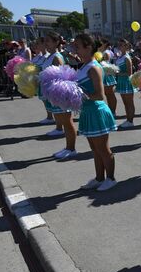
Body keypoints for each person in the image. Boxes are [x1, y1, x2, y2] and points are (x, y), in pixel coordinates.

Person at [73, 33, 118, 191]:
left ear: (89, 47)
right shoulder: (84, 66)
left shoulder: (93, 67)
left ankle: (111, 178)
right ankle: (99, 178)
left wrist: (77, 93)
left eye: (78, 47)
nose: (75, 50)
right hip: (88, 111)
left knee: (103, 149)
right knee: (95, 149)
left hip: (96, 111)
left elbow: (100, 95)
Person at [42, 32, 78, 159]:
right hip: (53, 94)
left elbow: (62, 77)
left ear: (56, 42)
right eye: (45, 41)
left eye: (48, 40)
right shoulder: (49, 56)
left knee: (67, 122)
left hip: (60, 93)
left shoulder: (57, 57)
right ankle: (68, 147)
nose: (45, 43)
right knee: (61, 120)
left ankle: (71, 148)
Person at [114, 39, 136, 128]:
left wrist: (117, 73)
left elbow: (129, 73)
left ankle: (130, 121)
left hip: (127, 81)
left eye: (122, 45)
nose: (120, 46)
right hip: (121, 81)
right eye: (119, 45)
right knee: (125, 103)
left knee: (129, 102)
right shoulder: (119, 57)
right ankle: (128, 120)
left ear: (126, 46)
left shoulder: (127, 58)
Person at [98, 39, 118, 115]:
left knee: (110, 94)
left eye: (101, 43)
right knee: (106, 94)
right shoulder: (99, 52)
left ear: (105, 45)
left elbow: (104, 63)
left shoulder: (106, 53)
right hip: (102, 74)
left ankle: (113, 111)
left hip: (107, 75)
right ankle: (110, 110)